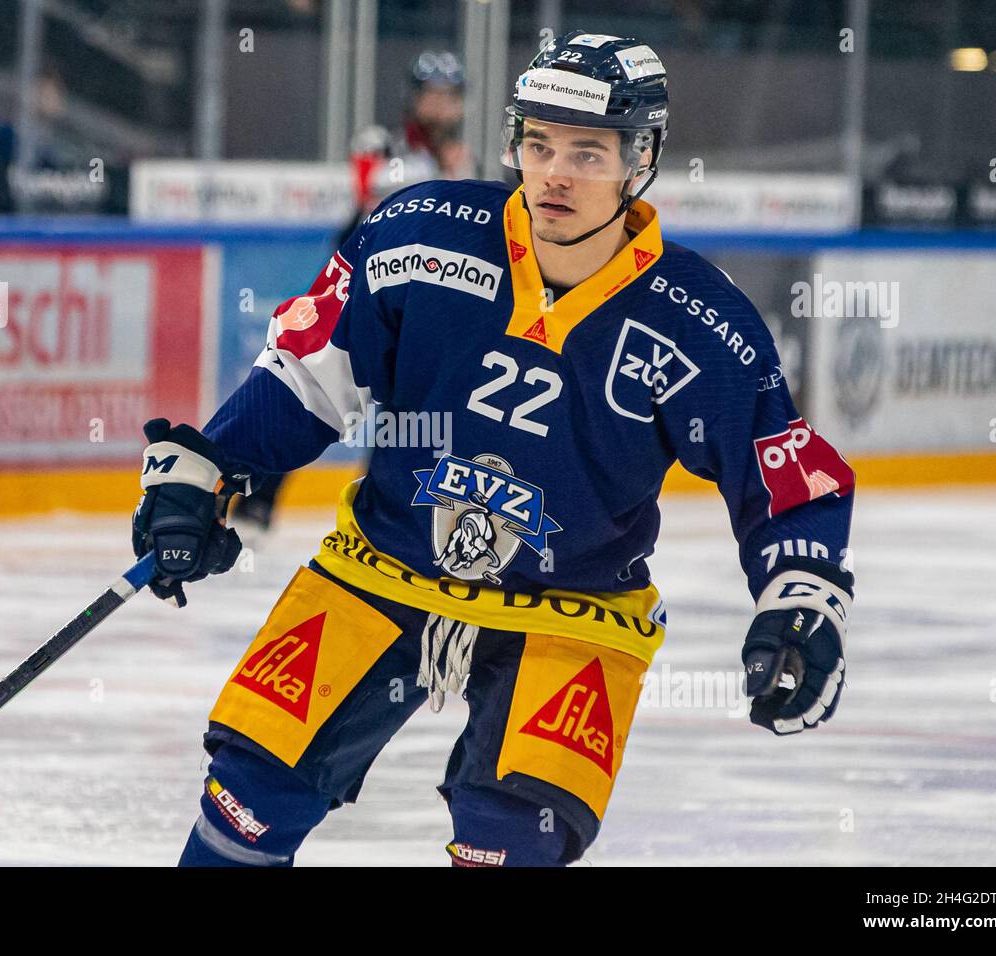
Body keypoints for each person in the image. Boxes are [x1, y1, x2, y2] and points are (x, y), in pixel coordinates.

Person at [131, 31, 856, 867]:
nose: (554, 171)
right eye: (539, 143)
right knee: (247, 801)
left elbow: (785, 475)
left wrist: (801, 596)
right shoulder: (420, 234)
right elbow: (310, 374)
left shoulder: (699, 320)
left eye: (589, 152)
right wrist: (207, 467)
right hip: (382, 568)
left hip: (576, 608)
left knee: (511, 841)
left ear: (642, 158)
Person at [235, 50, 474, 530]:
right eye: (433, 96)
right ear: (415, 98)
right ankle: (254, 496)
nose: (442, 108)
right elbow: (375, 195)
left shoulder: (467, 157)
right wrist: (445, 174)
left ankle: (381, 510)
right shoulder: (381, 142)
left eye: (450, 98)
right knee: (309, 386)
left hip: (423, 299)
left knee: (404, 411)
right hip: (362, 288)